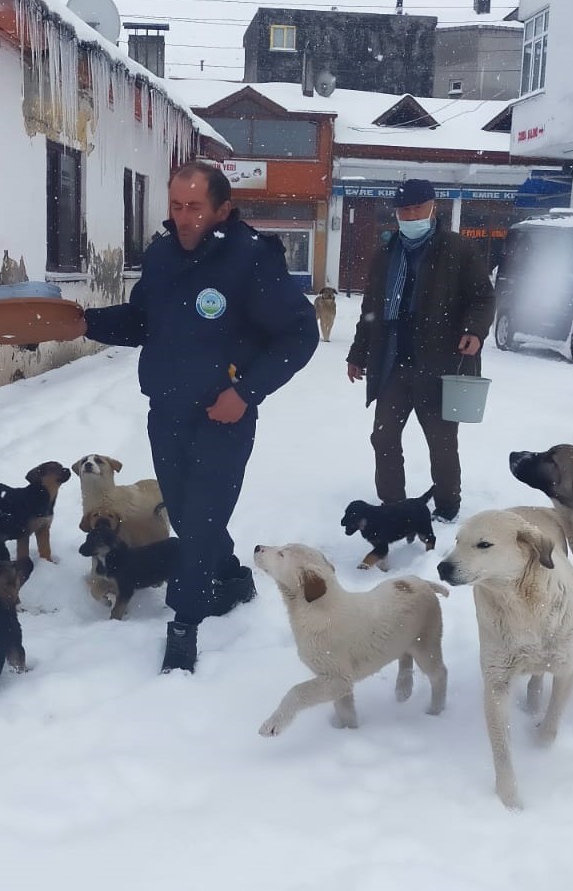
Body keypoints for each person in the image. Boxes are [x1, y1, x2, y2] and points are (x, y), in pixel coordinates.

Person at [81, 160, 318, 673]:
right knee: (188, 516)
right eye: (175, 206)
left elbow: (300, 335)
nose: (183, 218)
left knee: (203, 516)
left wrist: (246, 392)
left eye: (194, 208)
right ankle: (231, 576)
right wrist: (80, 322)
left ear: (222, 209)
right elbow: (141, 320)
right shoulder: (163, 255)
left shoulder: (252, 259)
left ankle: (184, 625)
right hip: (165, 413)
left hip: (223, 419)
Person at [346, 179, 496, 523]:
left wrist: (474, 330)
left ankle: (446, 505)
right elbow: (371, 308)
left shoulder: (457, 249)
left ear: (432, 207)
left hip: (440, 363)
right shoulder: (387, 252)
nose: (409, 216)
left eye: (415, 208)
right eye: (402, 210)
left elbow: (483, 298)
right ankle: (393, 504)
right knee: (383, 437)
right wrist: (358, 352)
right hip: (393, 363)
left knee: (442, 442)